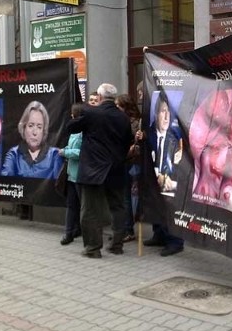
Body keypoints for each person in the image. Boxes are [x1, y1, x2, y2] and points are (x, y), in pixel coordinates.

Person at [67, 83, 133, 258]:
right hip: (116, 168)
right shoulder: (123, 117)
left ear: (101, 97)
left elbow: (71, 128)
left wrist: (77, 115)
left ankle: (93, 248)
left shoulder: (91, 112)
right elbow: (128, 142)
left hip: (92, 169)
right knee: (118, 207)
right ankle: (116, 245)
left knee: (90, 210)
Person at [143, 90, 184, 257]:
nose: (166, 116)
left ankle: (175, 241)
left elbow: (179, 161)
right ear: (156, 113)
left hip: (170, 181)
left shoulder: (175, 134)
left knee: (169, 209)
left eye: (168, 112)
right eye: (162, 111)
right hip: (154, 178)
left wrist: (167, 176)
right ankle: (159, 234)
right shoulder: (151, 131)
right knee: (156, 206)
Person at [1, 100, 63, 179]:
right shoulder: (14, 154)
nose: (35, 132)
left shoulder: (55, 155)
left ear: (43, 131)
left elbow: (59, 188)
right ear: (24, 127)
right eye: (30, 126)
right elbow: (6, 184)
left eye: (39, 127)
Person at [115, 94, 142, 242]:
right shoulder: (120, 120)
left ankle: (128, 229)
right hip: (123, 161)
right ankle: (125, 228)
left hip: (131, 161)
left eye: (118, 106)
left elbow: (136, 145)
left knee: (129, 197)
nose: (116, 108)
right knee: (123, 196)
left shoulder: (135, 122)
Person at [58, 103, 84, 245]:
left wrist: (66, 152)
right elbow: (72, 147)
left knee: (83, 206)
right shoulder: (74, 132)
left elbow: (82, 152)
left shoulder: (84, 132)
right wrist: (65, 149)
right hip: (71, 174)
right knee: (71, 205)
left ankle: (85, 233)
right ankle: (68, 233)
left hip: (80, 174)